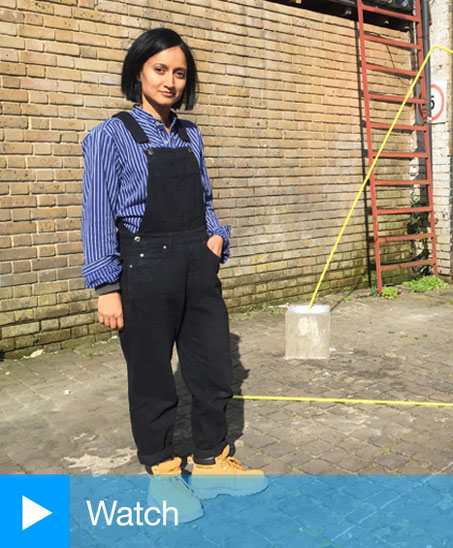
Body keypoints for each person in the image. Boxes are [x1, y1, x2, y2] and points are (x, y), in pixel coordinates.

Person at [80, 28, 266, 521]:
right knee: (152, 378)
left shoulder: (190, 134)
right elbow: (97, 213)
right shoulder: (109, 136)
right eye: (160, 69)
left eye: (179, 72)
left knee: (211, 369)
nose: (170, 81)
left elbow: (204, 198)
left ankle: (210, 460)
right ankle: (163, 473)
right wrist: (106, 287)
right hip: (143, 269)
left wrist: (217, 236)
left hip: (197, 265)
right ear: (138, 71)